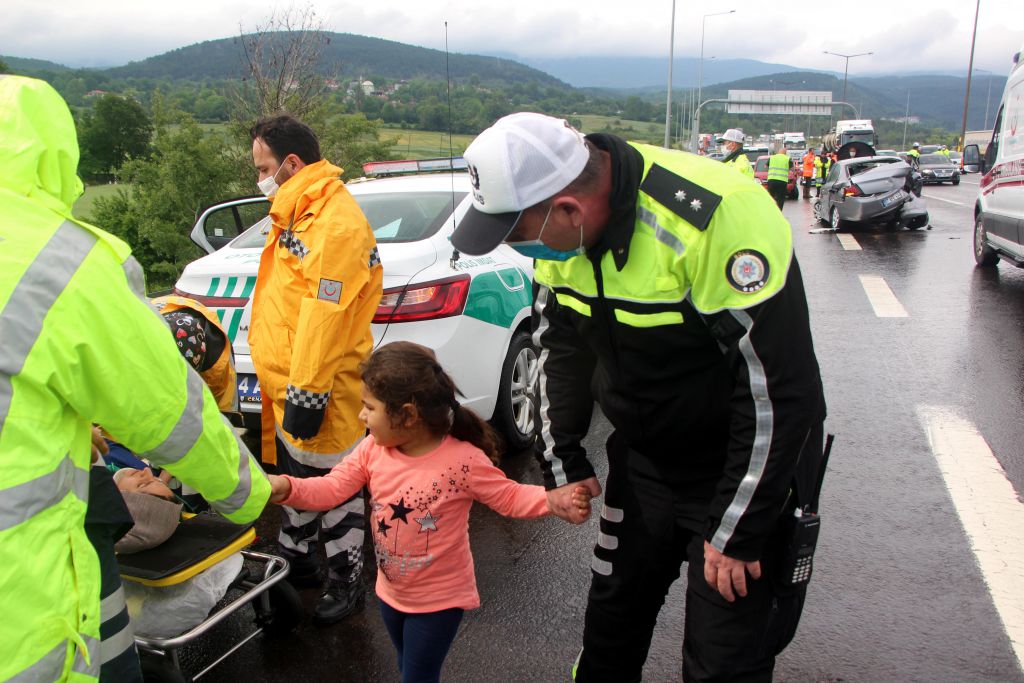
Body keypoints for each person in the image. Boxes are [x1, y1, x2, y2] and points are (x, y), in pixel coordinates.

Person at [450, 112, 826, 683]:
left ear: (569, 210)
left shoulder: (717, 218)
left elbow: (779, 393)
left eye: (517, 234)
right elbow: (561, 350)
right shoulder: (561, 239)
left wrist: (738, 530)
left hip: (738, 467)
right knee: (609, 635)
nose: (518, 249)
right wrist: (564, 461)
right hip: (646, 461)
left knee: (724, 661)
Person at [0, 76, 271, 683]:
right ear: (54, 154)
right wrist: (250, 493)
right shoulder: (56, 263)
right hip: (23, 611)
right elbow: (171, 414)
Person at [267, 342, 592, 683]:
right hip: (390, 594)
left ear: (407, 415)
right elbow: (332, 488)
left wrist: (553, 501)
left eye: (369, 407)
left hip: (438, 603)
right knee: (408, 666)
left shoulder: (461, 461)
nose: (361, 416)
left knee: (418, 676)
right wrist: (287, 488)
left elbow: (508, 496)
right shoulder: (372, 449)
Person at [248, 115, 384, 624]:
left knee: (337, 484)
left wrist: (307, 393)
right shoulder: (299, 212)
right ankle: (301, 556)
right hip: (288, 382)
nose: (259, 178)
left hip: (320, 385)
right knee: (295, 473)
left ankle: (348, 577)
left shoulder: (333, 223)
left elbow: (325, 317)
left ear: (291, 163)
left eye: (263, 168)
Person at [766, 144, 792, 210]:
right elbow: (792, 168)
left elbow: (765, 166)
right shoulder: (787, 158)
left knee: (770, 197)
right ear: (785, 153)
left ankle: (770, 211)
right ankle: (779, 213)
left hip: (771, 180)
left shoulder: (772, 157)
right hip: (782, 181)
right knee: (780, 198)